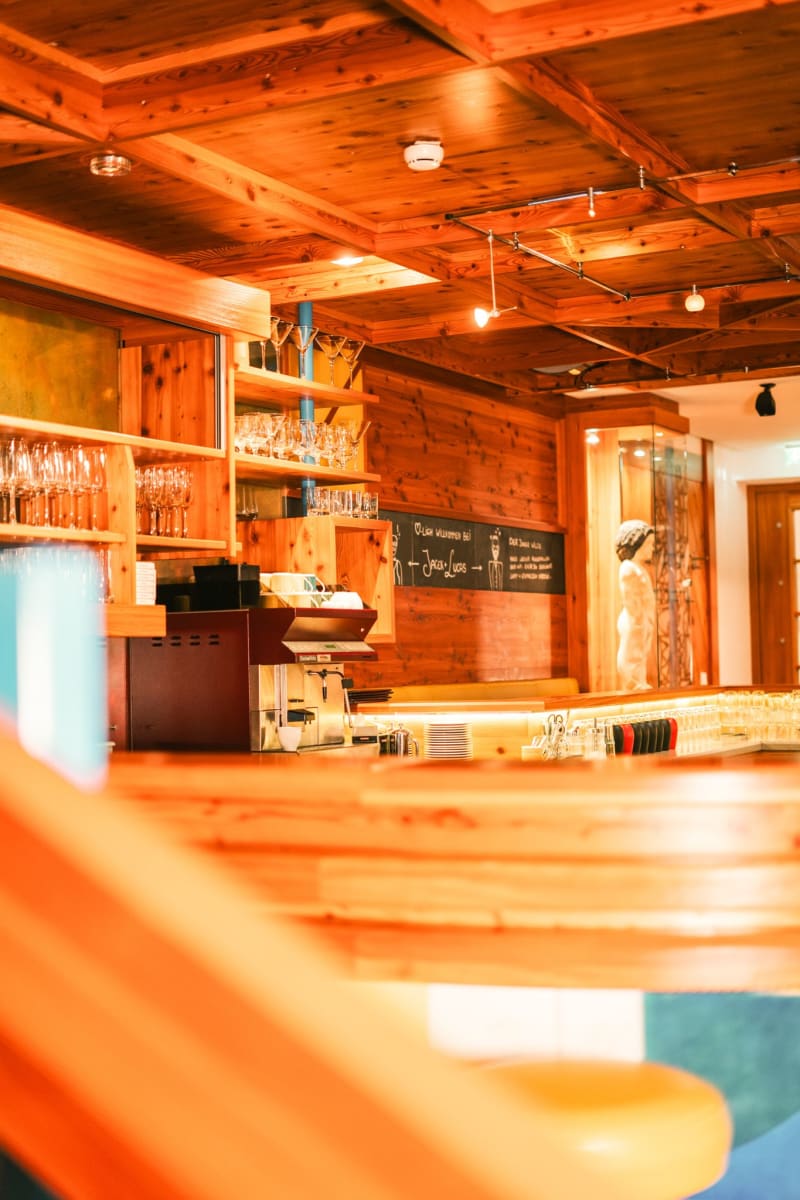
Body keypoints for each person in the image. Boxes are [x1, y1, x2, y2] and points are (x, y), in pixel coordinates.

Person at [615, 519, 656, 691]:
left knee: (641, 652)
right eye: (649, 544)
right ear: (636, 544)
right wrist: (639, 620)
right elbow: (631, 601)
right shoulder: (628, 568)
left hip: (643, 619)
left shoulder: (638, 568)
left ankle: (639, 680)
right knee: (633, 651)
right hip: (635, 619)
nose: (652, 549)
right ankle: (632, 682)